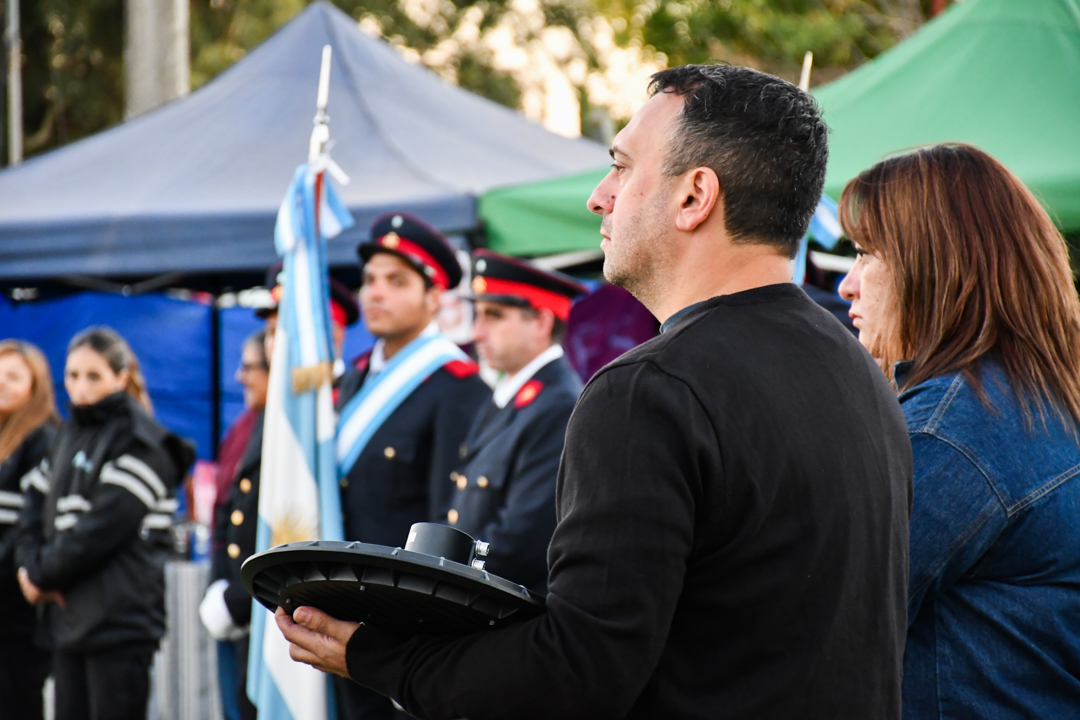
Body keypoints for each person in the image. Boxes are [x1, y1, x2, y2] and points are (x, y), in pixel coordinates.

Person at [276, 65, 913, 720]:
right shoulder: (862, 373)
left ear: (694, 196)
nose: (598, 197)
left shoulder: (649, 392)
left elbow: (578, 670)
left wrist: (380, 657)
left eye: (622, 167)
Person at [837, 143, 1080, 718]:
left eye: (867, 254)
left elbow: (825, 624)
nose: (848, 284)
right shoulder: (1034, 395)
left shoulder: (953, 433)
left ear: (933, 268)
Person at [333, 212, 490, 719]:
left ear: (435, 297)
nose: (375, 293)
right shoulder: (353, 378)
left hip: (396, 625)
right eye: (369, 280)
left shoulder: (457, 386)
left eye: (396, 281)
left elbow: (451, 520)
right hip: (335, 607)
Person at [16, 327, 194, 720]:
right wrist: (28, 568)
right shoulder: (66, 437)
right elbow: (31, 511)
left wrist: (41, 576)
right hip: (68, 621)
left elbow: (98, 532)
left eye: (93, 376)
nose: (81, 387)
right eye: (72, 375)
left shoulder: (143, 442)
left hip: (119, 624)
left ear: (121, 376)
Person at [445, 250, 586, 594]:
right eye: (477, 315)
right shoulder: (510, 395)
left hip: (504, 604)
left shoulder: (558, 405)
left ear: (541, 322)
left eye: (493, 316)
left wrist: (442, 573)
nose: (477, 332)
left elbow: (521, 541)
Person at [200, 330, 270, 720]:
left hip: (263, 606)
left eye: (249, 367)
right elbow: (225, 511)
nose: (240, 377)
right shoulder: (244, 427)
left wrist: (240, 599)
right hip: (234, 596)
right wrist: (219, 585)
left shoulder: (286, 430)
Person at [0, 341, 59, 720]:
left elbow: (30, 527)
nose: (2, 384)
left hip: (17, 611)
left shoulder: (43, 440)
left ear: (36, 386)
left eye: (13, 376)